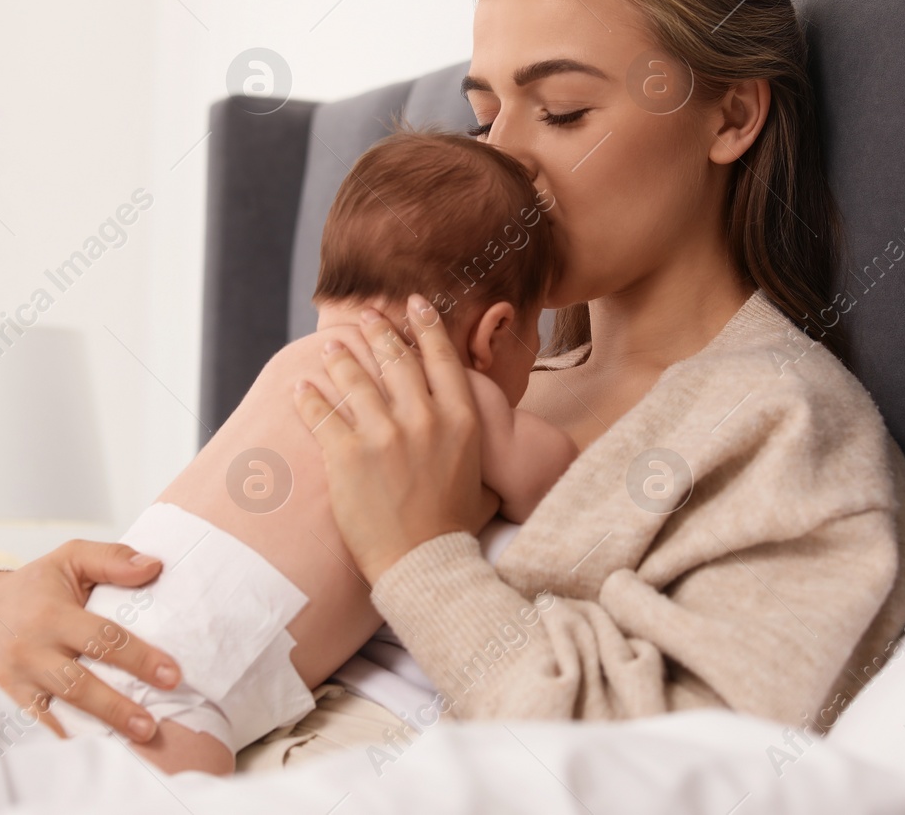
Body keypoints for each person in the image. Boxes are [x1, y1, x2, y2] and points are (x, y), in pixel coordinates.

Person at [0, 0, 905, 772]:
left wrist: (418, 554)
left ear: (729, 117)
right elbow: (212, 593)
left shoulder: (786, 436)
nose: (504, 158)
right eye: (485, 112)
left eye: (562, 109)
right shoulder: (468, 369)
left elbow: (686, 768)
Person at [39, 130, 580, 775]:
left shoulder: (290, 368)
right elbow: (556, 482)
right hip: (182, 684)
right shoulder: (445, 396)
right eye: (538, 332)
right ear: (494, 332)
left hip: (98, 633)